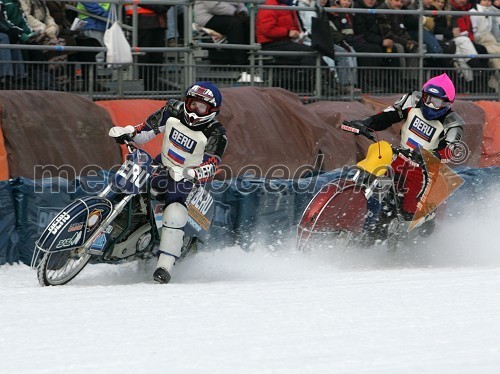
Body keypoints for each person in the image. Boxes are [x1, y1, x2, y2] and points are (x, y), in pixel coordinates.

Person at [109, 82, 227, 284]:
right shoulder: (172, 110)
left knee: (175, 209)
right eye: (192, 104)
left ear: (212, 110)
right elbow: (146, 130)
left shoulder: (216, 133)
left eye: (202, 107)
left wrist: (196, 172)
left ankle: (164, 265)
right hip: (162, 163)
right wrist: (128, 132)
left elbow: (212, 163)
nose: (195, 110)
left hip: (187, 177)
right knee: (127, 180)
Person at [349, 73, 464, 231]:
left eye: (436, 101)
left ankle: (426, 216)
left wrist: (431, 156)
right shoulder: (412, 100)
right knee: (376, 157)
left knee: (409, 214)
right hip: (400, 155)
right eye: (427, 98)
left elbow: (449, 150)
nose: (430, 104)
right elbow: (388, 116)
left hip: (425, 170)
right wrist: (366, 123)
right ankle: (356, 196)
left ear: (446, 103)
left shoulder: (452, 123)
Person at [124, 2, 169, 91]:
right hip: (141, 23)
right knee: (145, 58)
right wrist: (159, 7)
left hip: (157, 24)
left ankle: (151, 86)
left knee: (156, 58)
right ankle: (148, 86)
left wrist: (160, 7)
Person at [194, 1, 250, 68]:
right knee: (234, 24)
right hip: (207, 16)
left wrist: (242, 12)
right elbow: (213, 6)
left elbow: (240, 3)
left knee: (248, 22)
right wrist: (234, 12)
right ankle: (240, 62)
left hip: (230, 15)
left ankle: (249, 57)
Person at [470, 0, 500, 92]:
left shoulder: (489, 12)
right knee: (494, 58)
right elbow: (474, 31)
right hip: (481, 40)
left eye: (489, 0)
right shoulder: (473, 12)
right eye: (485, 0)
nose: (487, 3)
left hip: (491, 39)